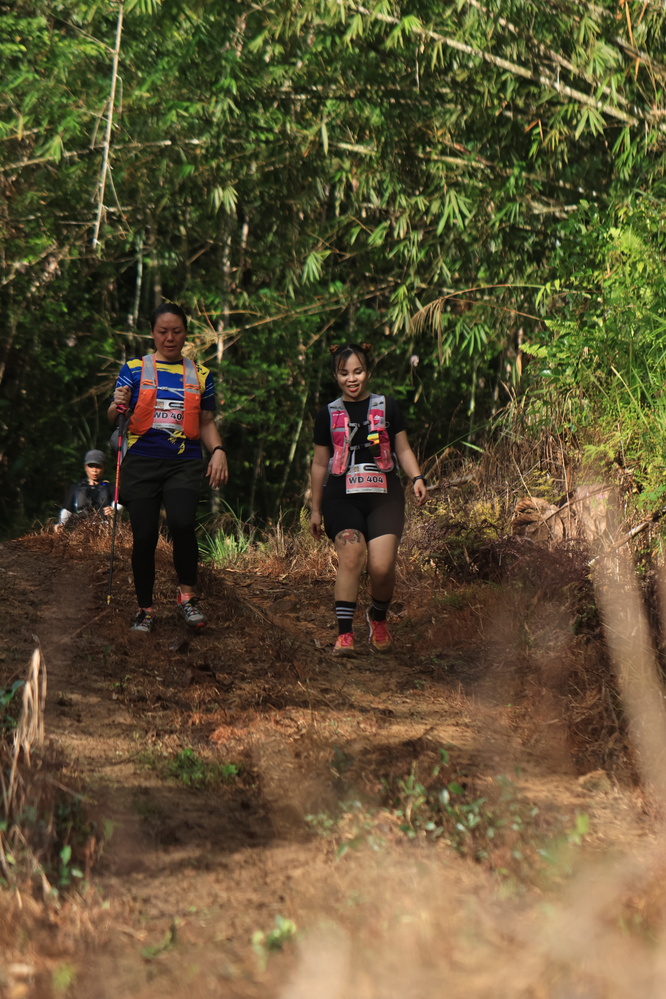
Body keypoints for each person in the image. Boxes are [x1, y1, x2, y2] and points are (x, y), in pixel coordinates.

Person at [107, 302, 228, 633]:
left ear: (186, 334)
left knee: (183, 523)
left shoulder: (201, 375)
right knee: (145, 535)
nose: (170, 338)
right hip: (141, 462)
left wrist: (218, 451)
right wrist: (118, 403)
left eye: (176, 331)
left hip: (183, 462)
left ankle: (187, 598)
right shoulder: (134, 369)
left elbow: (206, 421)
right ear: (152, 333)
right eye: (163, 331)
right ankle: (145, 609)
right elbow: (113, 416)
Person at [309, 342, 427, 655]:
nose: (351, 378)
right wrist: (315, 509)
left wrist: (417, 477)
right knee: (351, 554)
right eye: (344, 373)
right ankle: (345, 634)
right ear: (335, 376)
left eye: (358, 371)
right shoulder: (327, 414)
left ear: (368, 372)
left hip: (384, 496)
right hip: (342, 496)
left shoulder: (387, 407)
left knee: (382, 567)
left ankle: (378, 617)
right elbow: (319, 464)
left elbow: (402, 448)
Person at [55, 449, 113, 530]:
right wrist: (61, 523)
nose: (94, 470)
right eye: (91, 466)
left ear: (103, 467)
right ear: (85, 467)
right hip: (81, 530)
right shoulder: (76, 487)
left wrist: (114, 511)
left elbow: (119, 505)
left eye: (98, 466)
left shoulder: (110, 487)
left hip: (104, 529)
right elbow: (67, 509)